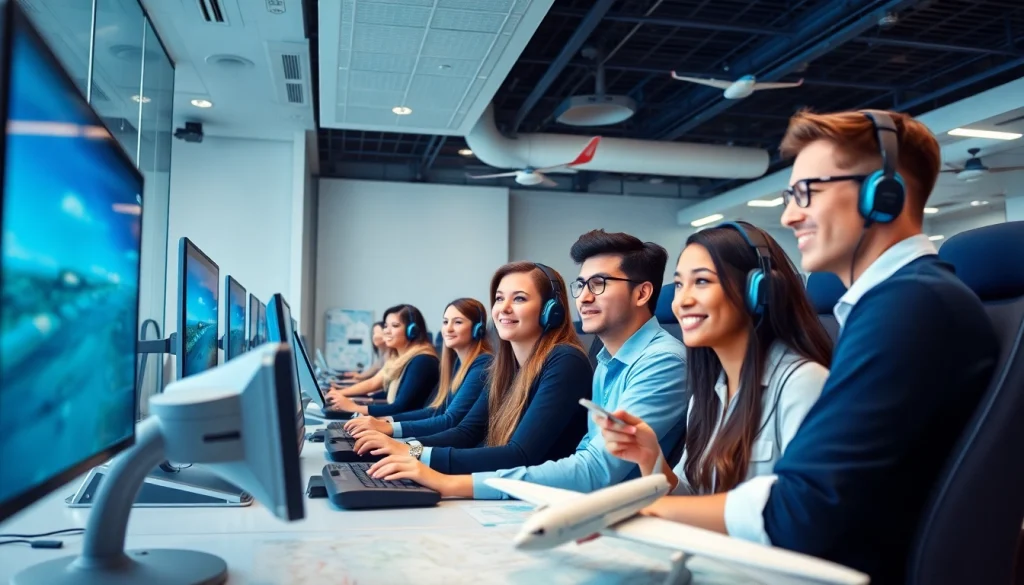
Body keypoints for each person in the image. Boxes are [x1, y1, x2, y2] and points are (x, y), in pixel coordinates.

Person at [602, 109, 1000, 585]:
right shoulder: (902, 303)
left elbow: (801, 511)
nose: (790, 214)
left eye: (807, 192)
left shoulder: (910, 306)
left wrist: (643, 514)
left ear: (883, 193)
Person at [362, 230, 690, 498]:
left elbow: (595, 470)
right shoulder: (606, 360)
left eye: (599, 284)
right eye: (581, 285)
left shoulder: (660, 361)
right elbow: (468, 429)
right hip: (578, 505)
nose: (584, 297)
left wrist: (444, 476)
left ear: (642, 293)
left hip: (616, 518)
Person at [598, 222, 831, 500]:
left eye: (702, 281)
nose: (681, 301)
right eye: (680, 284)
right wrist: (651, 459)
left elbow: (803, 511)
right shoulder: (708, 393)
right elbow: (693, 497)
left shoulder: (804, 384)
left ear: (758, 291)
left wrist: (647, 511)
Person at [354, 261, 593, 477]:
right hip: (500, 491)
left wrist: (413, 453)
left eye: (519, 298)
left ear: (550, 309)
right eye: (499, 299)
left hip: (538, 507)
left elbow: (519, 455)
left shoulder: (564, 361)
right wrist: (406, 447)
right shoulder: (505, 368)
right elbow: (467, 432)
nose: (504, 308)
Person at [344, 298, 493, 438]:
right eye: (445, 322)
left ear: (477, 329)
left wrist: (402, 443)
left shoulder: (482, 365)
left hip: (450, 455)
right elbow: (436, 411)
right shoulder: (459, 364)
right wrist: (385, 422)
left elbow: (451, 423)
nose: (448, 328)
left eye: (458, 322)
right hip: (436, 449)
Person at [327, 304, 440, 418]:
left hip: (406, 429)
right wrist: (343, 395)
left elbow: (399, 407)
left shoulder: (422, 361)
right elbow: (381, 387)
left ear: (412, 331)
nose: (386, 331)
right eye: (386, 326)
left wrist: (354, 407)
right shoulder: (399, 359)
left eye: (395, 326)